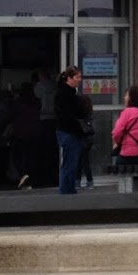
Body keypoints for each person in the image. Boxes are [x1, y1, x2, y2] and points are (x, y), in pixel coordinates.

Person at [53, 66, 85, 195]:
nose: (79, 80)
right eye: (77, 77)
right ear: (69, 78)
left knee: (71, 161)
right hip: (68, 132)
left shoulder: (69, 93)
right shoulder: (65, 94)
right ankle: (66, 190)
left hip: (68, 131)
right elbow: (67, 115)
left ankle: (68, 189)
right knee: (70, 162)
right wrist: (78, 127)